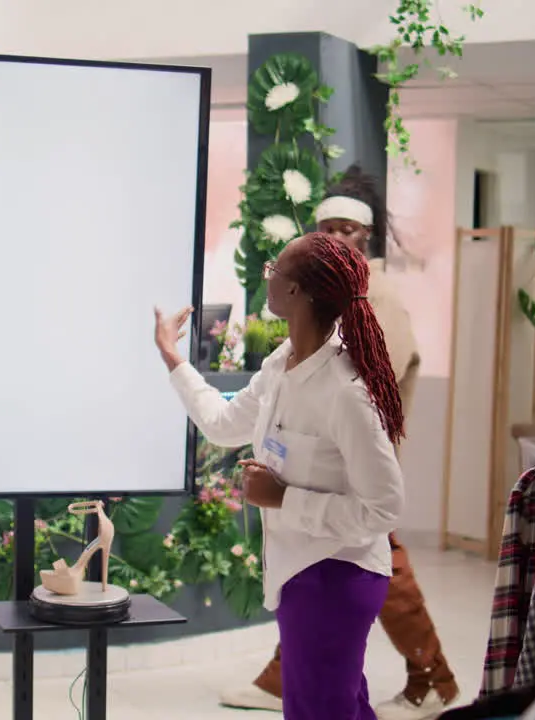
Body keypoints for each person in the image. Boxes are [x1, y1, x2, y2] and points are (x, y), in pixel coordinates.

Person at [219, 166, 459, 720]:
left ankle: (431, 676)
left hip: (354, 476)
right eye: (327, 226)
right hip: (327, 485)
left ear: (365, 239)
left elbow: (367, 399)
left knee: (374, 577)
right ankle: (416, 676)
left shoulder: (373, 313)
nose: (337, 236)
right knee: (343, 621)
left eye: (348, 229)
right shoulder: (305, 338)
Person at [156, 231, 406, 720]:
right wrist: (173, 357)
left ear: (297, 293)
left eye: (275, 270)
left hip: (338, 576)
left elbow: (385, 508)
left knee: (319, 710)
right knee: (338, 707)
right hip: (303, 575)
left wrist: (284, 498)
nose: (266, 277)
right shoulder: (280, 366)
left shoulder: (345, 392)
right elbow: (224, 425)